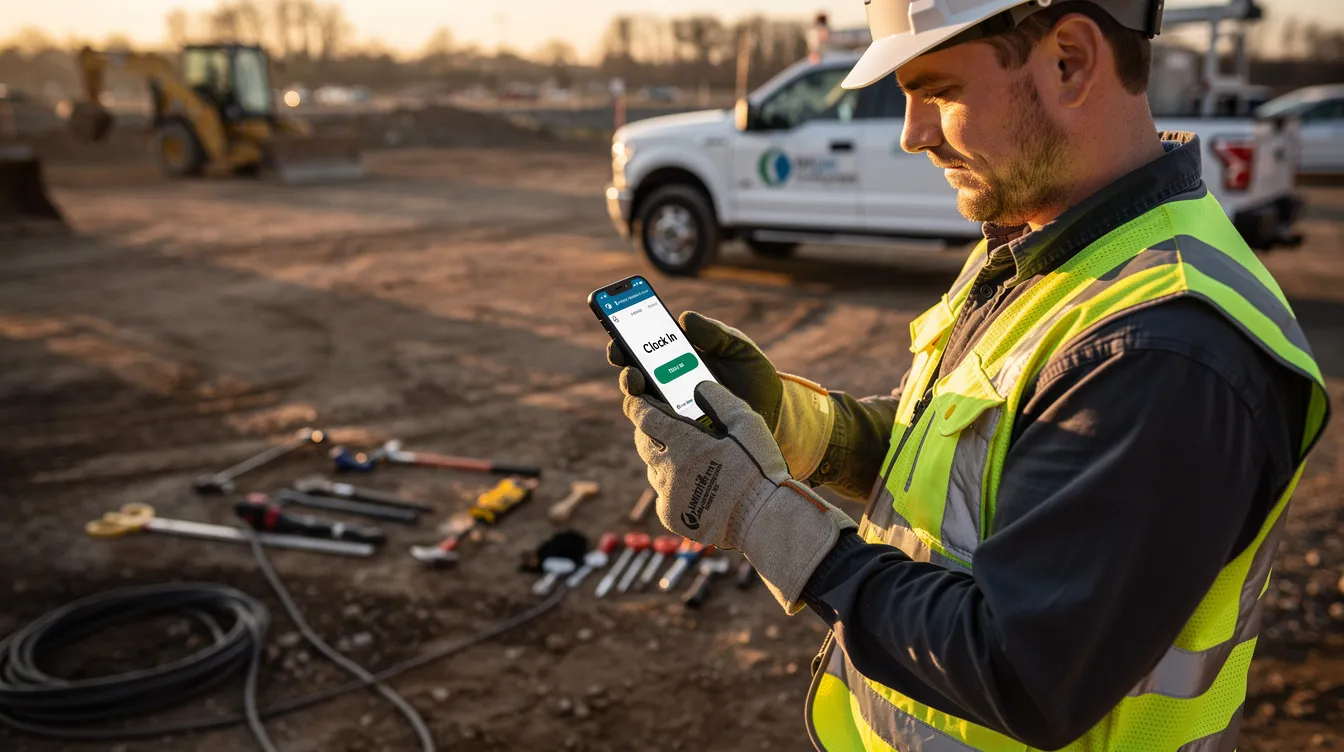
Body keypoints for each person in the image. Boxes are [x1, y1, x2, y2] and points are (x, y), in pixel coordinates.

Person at [607, 0, 1331, 749]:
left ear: (1069, 62)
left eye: (938, 91)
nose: (911, 133)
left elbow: (1022, 670)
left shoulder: (1164, 351)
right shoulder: (1052, 241)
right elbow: (959, 450)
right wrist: (792, 424)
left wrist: (763, 517)